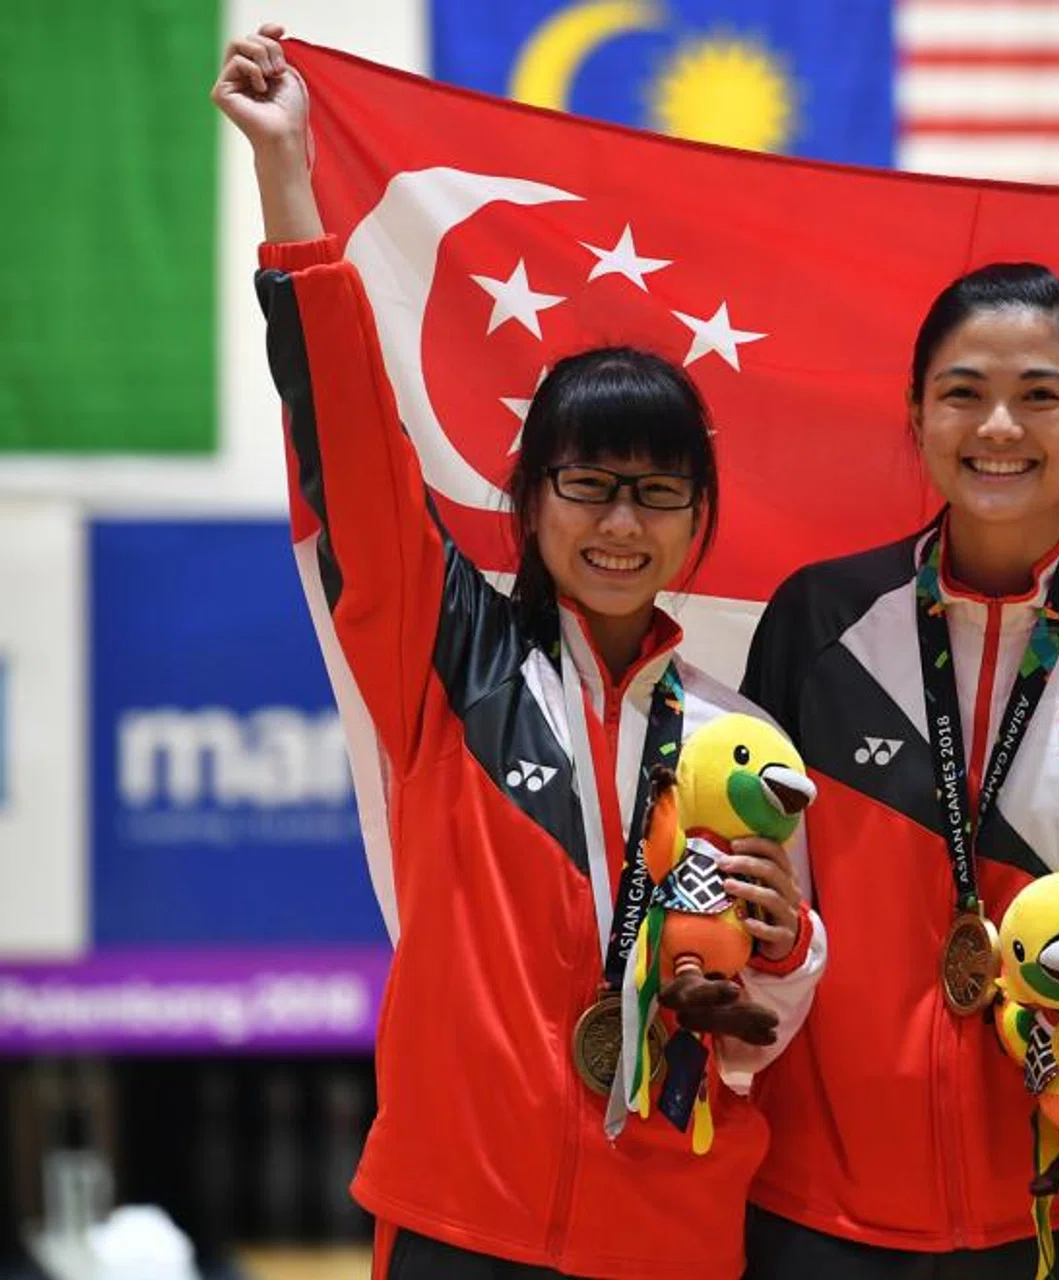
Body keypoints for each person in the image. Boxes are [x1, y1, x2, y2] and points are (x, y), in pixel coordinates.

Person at [213, 25, 825, 1279]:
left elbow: (771, 1022)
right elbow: (352, 439)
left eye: (656, 493)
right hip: (460, 1217)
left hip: (672, 1225)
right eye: (587, 485)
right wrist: (288, 179)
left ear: (700, 522)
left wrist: (791, 945)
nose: (618, 523)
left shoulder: (739, 737)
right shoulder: (443, 655)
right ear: (527, 501)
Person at [739, 263, 1059, 1276]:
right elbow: (754, 888)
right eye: (963, 392)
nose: (999, 426)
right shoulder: (819, 624)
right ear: (916, 412)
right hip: (815, 1206)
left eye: (1041, 395)